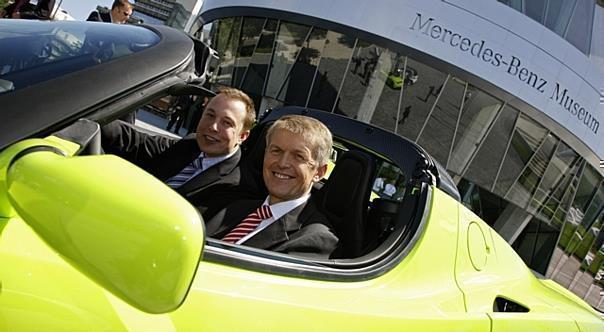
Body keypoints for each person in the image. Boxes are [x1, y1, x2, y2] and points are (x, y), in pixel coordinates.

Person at [102, 87, 256, 217]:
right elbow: (135, 140)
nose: (213, 126)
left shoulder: (236, 188)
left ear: (242, 136)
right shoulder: (190, 144)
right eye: (210, 115)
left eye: (227, 123)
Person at [205, 115, 338, 259]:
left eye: (299, 156)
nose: (282, 163)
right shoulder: (236, 207)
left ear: (319, 172)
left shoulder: (315, 240)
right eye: (276, 151)